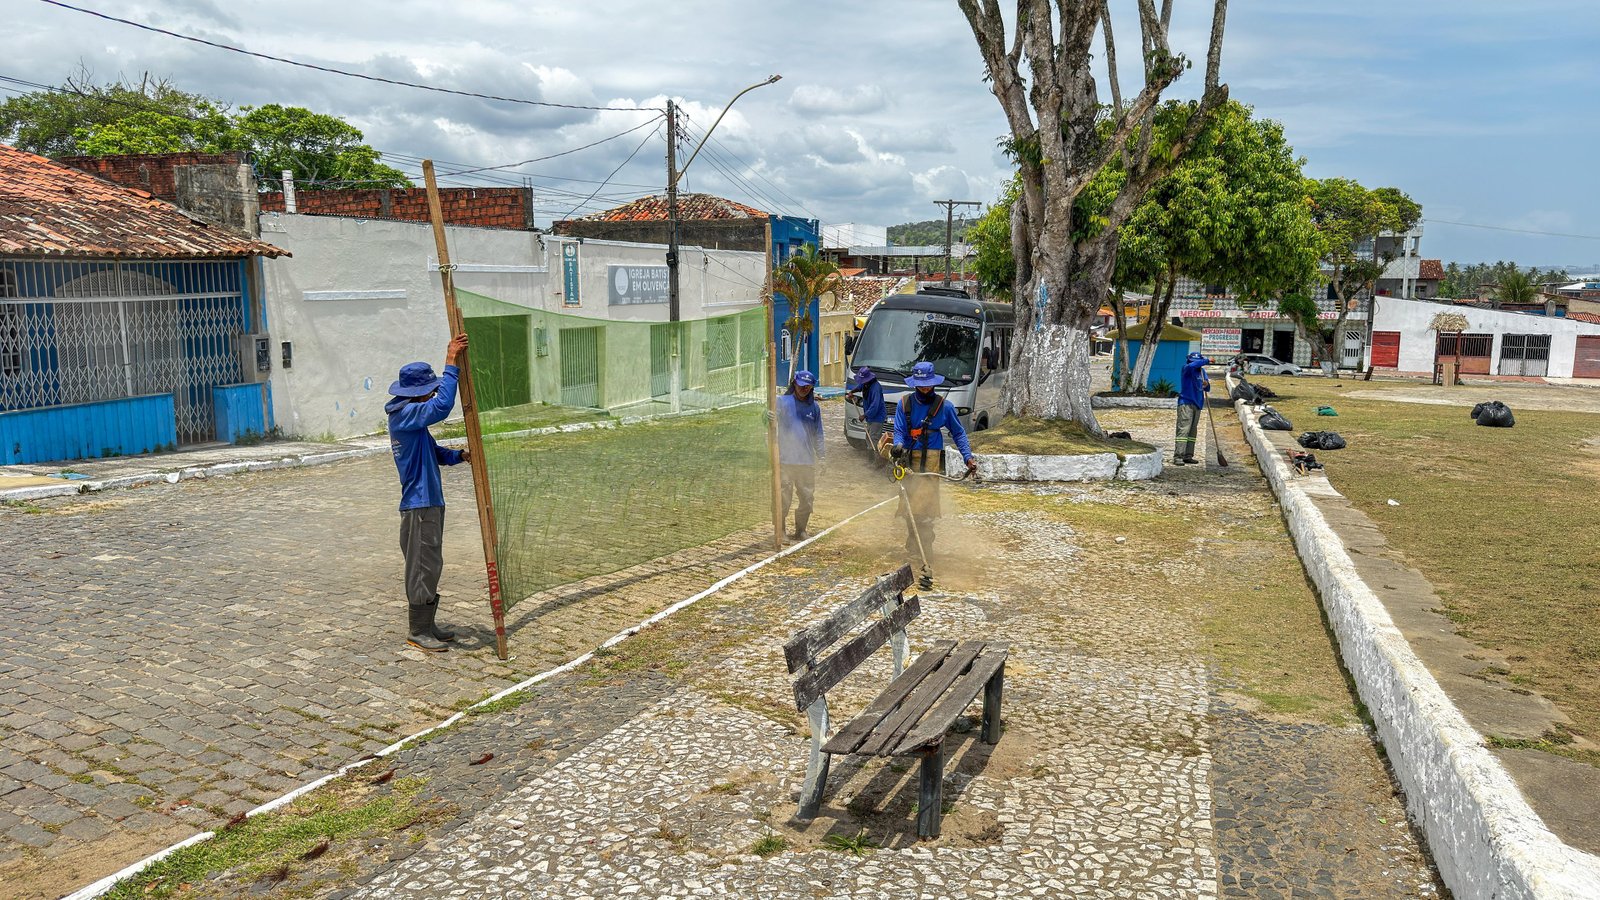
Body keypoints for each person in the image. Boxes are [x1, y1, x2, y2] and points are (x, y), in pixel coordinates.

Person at [386, 333, 471, 653]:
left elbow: (434, 453)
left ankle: (428, 624)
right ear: (419, 393)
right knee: (422, 565)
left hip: (428, 503)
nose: (434, 392)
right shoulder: (404, 415)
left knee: (430, 563)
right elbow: (443, 406)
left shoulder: (413, 423)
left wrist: (459, 455)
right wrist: (451, 362)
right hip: (419, 505)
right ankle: (418, 630)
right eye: (430, 390)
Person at [892, 361, 977, 556]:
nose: (925, 388)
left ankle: (926, 549)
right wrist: (897, 445)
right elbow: (899, 430)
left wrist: (968, 457)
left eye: (928, 384)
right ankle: (913, 540)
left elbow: (959, 433)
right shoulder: (904, 403)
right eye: (921, 384)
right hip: (908, 459)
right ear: (914, 383)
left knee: (927, 507)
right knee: (908, 504)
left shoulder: (944, 407)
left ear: (934, 383)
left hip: (931, 459)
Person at [777, 369, 824, 541]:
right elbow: (769, 421)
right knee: (782, 497)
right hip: (785, 460)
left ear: (812, 387)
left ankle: (801, 529)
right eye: (801, 385)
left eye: (807, 387)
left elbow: (819, 434)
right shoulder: (782, 402)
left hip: (806, 461)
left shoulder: (814, 408)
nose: (803, 389)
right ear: (794, 384)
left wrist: (822, 457)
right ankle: (780, 530)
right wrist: (765, 417)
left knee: (807, 498)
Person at [1175, 351, 1211, 465]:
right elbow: (1192, 365)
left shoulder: (1202, 371)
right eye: (1193, 361)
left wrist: (1206, 384)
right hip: (1186, 403)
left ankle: (1188, 455)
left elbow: (1207, 388)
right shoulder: (1187, 368)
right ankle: (1178, 456)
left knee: (1192, 431)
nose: (1195, 363)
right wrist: (1206, 360)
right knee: (1183, 430)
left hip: (1198, 404)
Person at [848, 365, 888, 461]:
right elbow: (860, 387)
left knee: (873, 438)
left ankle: (876, 460)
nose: (862, 382)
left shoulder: (875, 388)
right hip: (870, 417)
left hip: (877, 417)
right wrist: (852, 392)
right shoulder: (866, 384)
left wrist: (864, 415)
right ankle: (871, 459)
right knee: (868, 436)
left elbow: (875, 406)